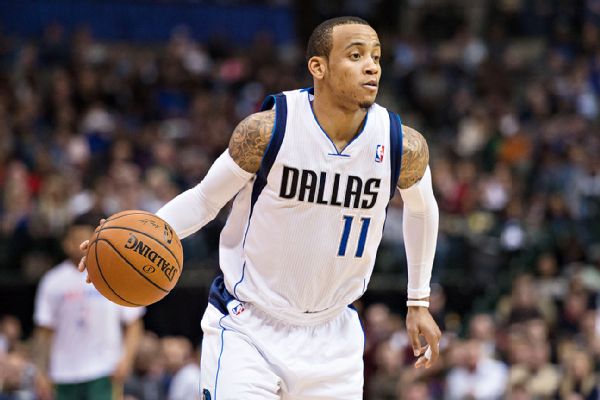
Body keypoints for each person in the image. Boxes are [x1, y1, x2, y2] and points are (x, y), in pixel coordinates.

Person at [79, 16, 442, 399]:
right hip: (249, 326)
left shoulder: (402, 145)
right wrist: (133, 237)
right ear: (318, 67)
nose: (371, 66)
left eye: (376, 57)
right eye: (356, 55)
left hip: (334, 334)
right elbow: (204, 199)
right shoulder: (268, 130)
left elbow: (422, 210)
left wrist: (418, 300)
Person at [34, 213, 145, 400]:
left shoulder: (113, 274)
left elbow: (134, 323)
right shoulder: (52, 280)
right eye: (72, 239)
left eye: (82, 238)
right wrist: (41, 371)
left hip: (105, 369)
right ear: (65, 242)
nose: (76, 244)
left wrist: (126, 359)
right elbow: (44, 330)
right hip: (63, 372)